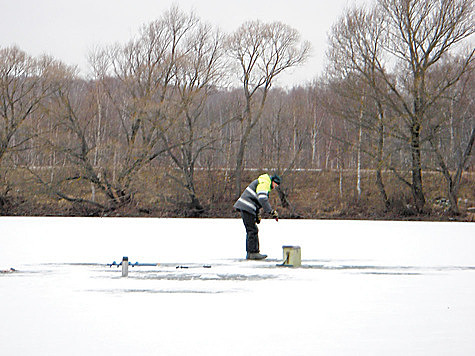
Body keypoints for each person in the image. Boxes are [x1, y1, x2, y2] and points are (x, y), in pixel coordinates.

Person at [234, 173, 281, 260]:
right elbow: (262, 198)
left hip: (247, 207)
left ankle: (252, 252)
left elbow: (256, 200)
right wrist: (271, 212)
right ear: (273, 182)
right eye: (276, 185)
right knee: (252, 230)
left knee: (252, 229)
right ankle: (253, 253)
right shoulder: (265, 182)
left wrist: (257, 215)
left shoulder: (262, 182)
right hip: (246, 206)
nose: (275, 187)